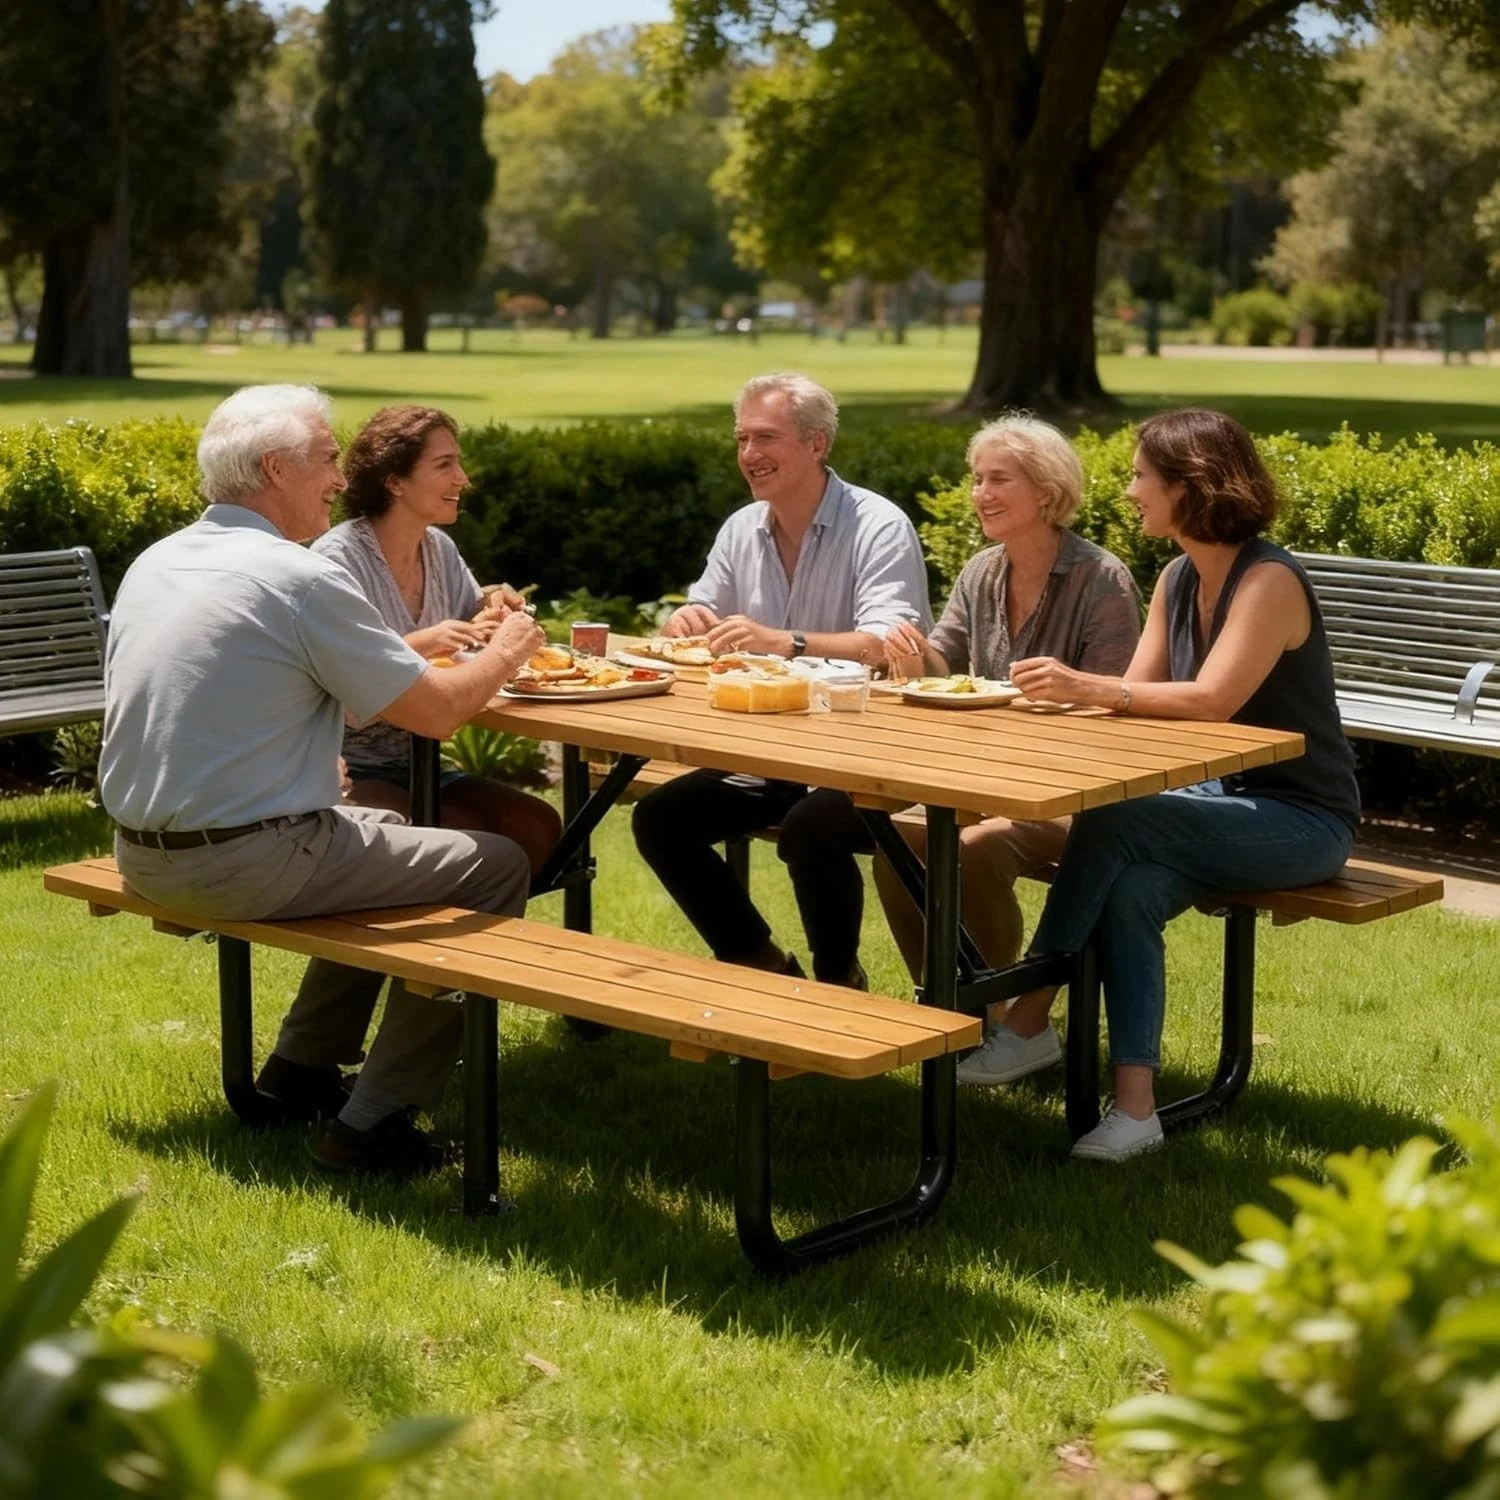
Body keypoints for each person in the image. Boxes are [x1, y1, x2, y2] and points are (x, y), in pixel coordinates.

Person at [98, 384, 547, 1176]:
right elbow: (436, 713)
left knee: (393, 846)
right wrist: (507, 652)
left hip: (144, 851)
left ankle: (300, 1071)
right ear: (275, 468)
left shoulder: (158, 561)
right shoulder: (298, 578)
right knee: (498, 861)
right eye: (328, 460)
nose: (342, 481)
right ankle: (373, 1122)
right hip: (245, 859)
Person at [981, 408, 1359, 1162]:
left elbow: (1209, 698)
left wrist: (1087, 687)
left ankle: (1028, 1016)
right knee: (1129, 889)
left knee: (1118, 824)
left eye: (1141, 477)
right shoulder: (1179, 578)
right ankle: (1136, 1110)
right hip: (1214, 806)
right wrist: (1050, 712)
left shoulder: (1270, 579)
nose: (1130, 493)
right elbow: (1137, 700)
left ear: (1191, 486)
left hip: (1302, 820)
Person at [631, 371, 932, 984]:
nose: (749, 455)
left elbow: (887, 643)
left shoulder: (877, 525)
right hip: (767, 749)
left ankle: (837, 983)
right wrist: (687, 620)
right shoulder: (742, 529)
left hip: (864, 753)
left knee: (810, 828)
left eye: (765, 437)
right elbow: (700, 620)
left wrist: (785, 642)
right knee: (658, 818)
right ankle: (761, 965)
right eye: (741, 438)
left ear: (817, 445)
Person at [870, 417, 1141, 1007]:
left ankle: (1001, 1009)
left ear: (1045, 491)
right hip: (986, 775)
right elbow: (946, 663)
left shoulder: (1103, 581)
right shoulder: (981, 571)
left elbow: (1122, 706)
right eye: (976, 480)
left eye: (999, 480)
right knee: (898, 843)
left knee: (976, 848)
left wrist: (1073, 689)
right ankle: (942, 1000)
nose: (981, 494)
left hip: (1075, 794)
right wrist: (916, 657)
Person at [311, 405, 561, 875]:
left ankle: (482, 944)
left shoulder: (438, 548)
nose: (463, 479)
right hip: (348, 768)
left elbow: (469, 620)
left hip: (424, 762)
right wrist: (418, 643)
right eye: (444, 465)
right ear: (395, 481)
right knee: (470, 839)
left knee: (538, 825)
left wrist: (491, 604)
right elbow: (333, 692)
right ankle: (397, 944)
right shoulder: (338, 562)